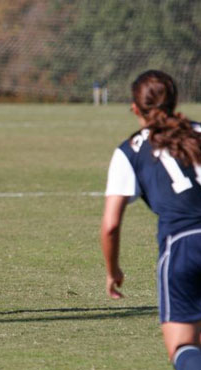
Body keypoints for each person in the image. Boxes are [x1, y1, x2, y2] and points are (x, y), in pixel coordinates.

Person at [101, 70, 201, 369]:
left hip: (182, 248)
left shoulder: (129, 151)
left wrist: (113, 270)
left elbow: (110, 225)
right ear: (175, 101)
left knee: (184, 348)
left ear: (135, 108)